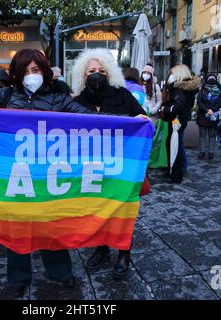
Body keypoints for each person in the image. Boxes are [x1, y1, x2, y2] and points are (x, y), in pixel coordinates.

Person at [0, 49, 102, 296]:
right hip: (16, 175)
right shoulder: (4, 96)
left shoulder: (59, 99)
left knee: (51, 226)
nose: (31, 76)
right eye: (25, 71)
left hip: (49, 176)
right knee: (17, 227)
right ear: (16, 75)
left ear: (44, 71)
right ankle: (18, 277)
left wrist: (134, 120)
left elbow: (94, 120)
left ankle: (60, 272)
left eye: (35, 70)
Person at [71, 48, 147, 280]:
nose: (96, 74)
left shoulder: (122, 94)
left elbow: (141, 120)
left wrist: (140, 121)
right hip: (90, 168)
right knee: (97, 211)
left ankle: (124, 252)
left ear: (110, 73)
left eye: (101, 70)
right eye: (92, 70)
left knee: (123, 210)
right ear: (82, 74)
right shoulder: (76, 100)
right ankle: (102, 248)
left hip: (120, 167)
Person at [160, 64, 201, 182]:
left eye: (172, 74)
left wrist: (166, 109)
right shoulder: (184, 89)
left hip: (177, 121)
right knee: (176, 144)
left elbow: (178, 106)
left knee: (175, 145)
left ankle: (177, 172)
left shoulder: (180, 90)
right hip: (179, 120)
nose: (170, 76)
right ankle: (177, 169)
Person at [196, 73, 221, 160]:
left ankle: (211, 152)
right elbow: (199, 101)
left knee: (212, 134)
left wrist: (213, 110)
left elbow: (220, 101)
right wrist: (207, 109)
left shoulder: (219, 90)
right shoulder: (203, 90)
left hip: (213, 115)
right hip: (203, 115)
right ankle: (202, 152)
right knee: (202, 134)